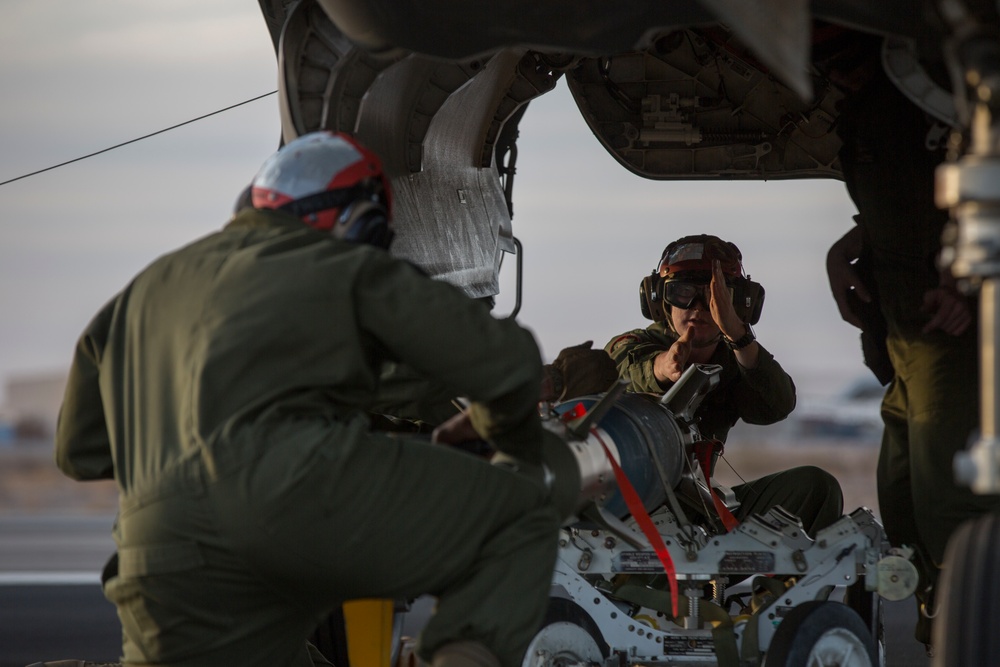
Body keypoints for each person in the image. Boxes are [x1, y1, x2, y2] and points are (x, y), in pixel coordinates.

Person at [52, 131, 574, 667]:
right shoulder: (337, 263)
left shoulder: (146, 290)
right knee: (519, 518)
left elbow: (79, 452)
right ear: (359, 221)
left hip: (157, 554)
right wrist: (505, 438)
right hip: (295, 503)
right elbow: (506, 364)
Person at [823, 40, 1000, 648]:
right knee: (902, 504)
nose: (829, 65)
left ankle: (971, 637)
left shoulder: (942, 102)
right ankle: (941, 635)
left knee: (948, 508)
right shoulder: (871, 113)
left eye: (835, 45)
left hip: (947, 335)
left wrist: (971, 282)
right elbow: (901, 202)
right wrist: (844, 251)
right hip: (902, 337)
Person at [605, 234, 843, 537]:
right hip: (633, 520)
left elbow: (776, 406)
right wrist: (665, 367)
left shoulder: (736, 363)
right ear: (658, 299)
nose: (699, 307)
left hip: (700, 513)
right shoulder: (633, 345)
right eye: (683, 292)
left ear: (742, 303)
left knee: (816, 488)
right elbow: (628, 368)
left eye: (717, 296)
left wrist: (740, 337)